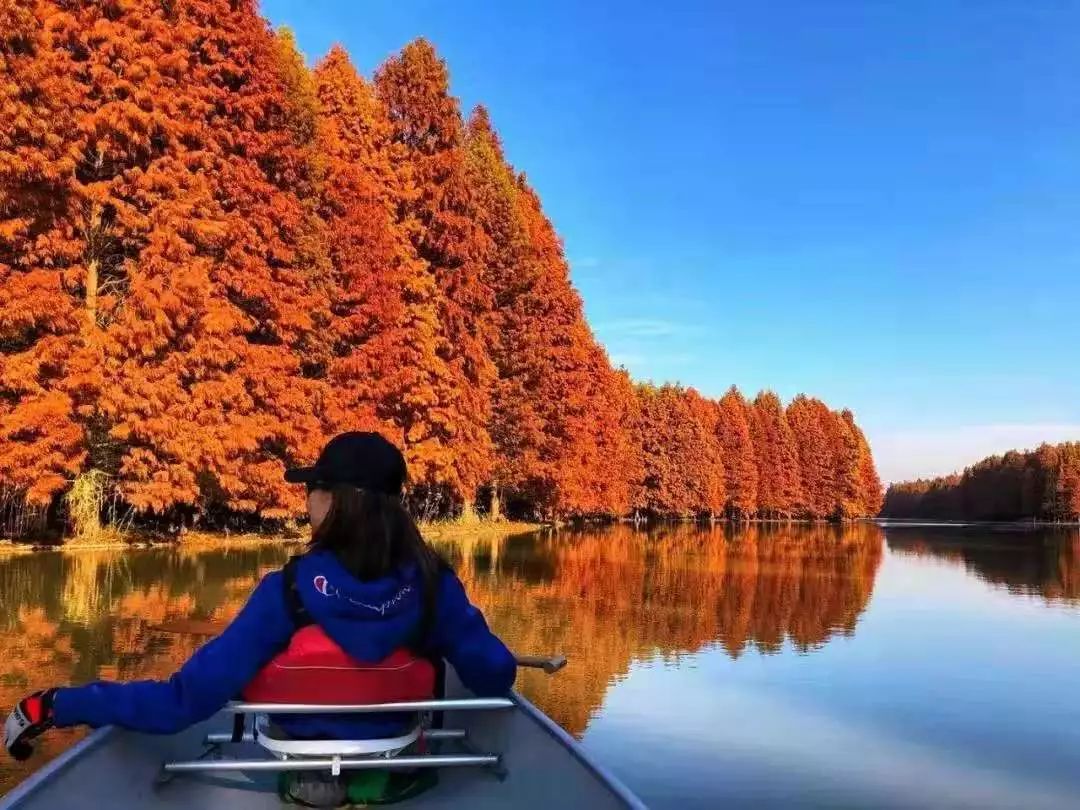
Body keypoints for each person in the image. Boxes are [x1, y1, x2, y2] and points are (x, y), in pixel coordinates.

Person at [4, 432, 517, 763]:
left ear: (333, 500)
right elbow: (495, 675)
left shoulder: (287, 592)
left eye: (312, 487)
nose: (305, 500)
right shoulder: (434, 585)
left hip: (292, 771)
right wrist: (445, 639)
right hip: (399, 760)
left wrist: (59, 704)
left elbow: (183, 702)